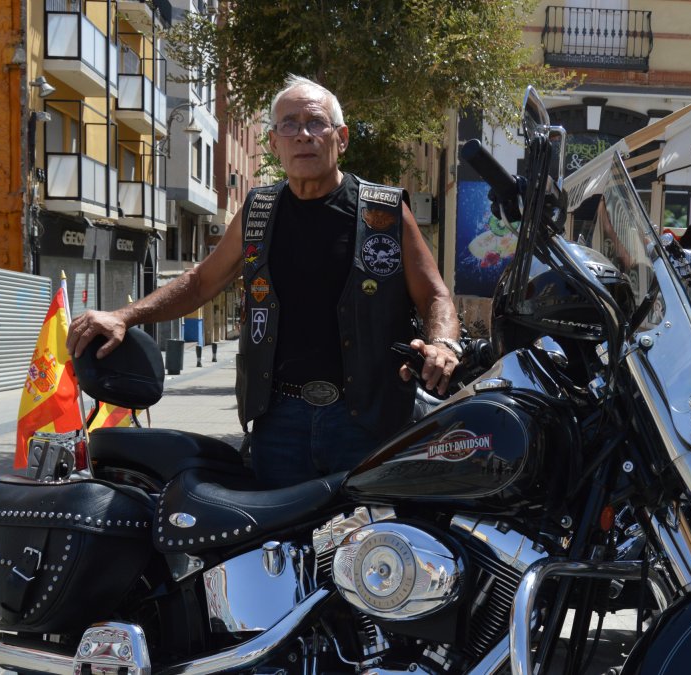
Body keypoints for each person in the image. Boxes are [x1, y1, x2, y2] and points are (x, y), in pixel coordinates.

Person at [67, 75, 461, 488]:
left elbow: (434, 294)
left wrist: (444, 343)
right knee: (274, 545)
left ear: (341, 138)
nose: (303, 135)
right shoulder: (259, 210)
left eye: (316, 123)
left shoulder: (383, 211)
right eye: (289, 125)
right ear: (274, 143)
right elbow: (202, 282)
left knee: (367, 542)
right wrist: (125, 316)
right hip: (280, 423)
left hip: (367, 419)